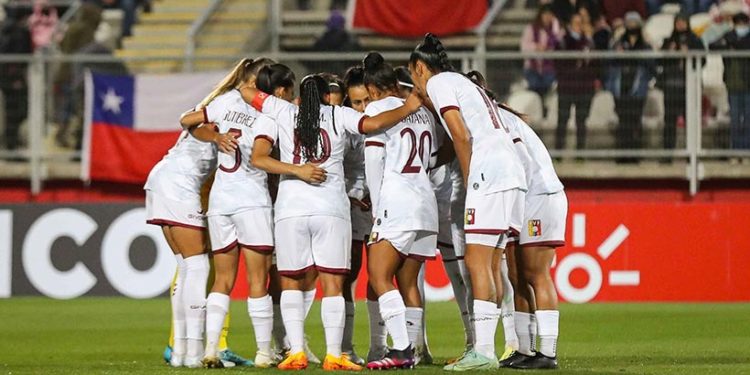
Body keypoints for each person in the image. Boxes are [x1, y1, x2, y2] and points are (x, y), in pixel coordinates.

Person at [247, 71, 422, 371]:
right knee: (333, 282)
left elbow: (250, 103)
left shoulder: (284, 110)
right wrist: (408, 107)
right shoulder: (339, 114)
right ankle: (333, 354)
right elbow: (373, 124)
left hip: (291, 209)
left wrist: (296, 169)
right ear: (327, 96)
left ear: (300, 97)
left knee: (290, 281)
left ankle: (297, 352)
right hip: (331, 208)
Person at [409, 33, 527, 371]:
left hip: (487, 174)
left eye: (414, 75)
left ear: (420, 67)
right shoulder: (462, 83)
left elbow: (460, 134)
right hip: (509, 171)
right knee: (491, 263)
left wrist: (470, 176)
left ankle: (484, 351)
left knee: (476, 262)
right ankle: (499, 346)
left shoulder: (440, 83)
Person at [178, 57, 278, 368]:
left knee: (222, 279)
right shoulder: (269, 108)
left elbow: (187, 121)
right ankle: (264, 352)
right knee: (258, 279)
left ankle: (211, 350)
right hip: (252, 201)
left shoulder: (223, 102)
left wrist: (215, 136)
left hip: (221, 202)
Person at [467, 72, 567, 370]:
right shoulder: (494, 121)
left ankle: (547, 353)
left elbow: (521, 162)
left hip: (539, 195)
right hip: (520, 198)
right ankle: (525, 349)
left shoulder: (498, 123)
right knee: (516, 276)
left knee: (537, 274)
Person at [359, 52, 439, 370]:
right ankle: (413, 351)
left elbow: (374, 162)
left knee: (379, 277)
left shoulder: (378, 110)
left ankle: (402, 349)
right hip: (425, 202)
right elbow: (430, 160)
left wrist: (378, 212)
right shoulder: (423, 114)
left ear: (373, 89)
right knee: (409, 284)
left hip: (397, 201)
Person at [339, 66, 370, 365]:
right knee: (349, 277)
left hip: (384, 206)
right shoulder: (346, 128)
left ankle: (384, 348)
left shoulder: (382, 121)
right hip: (352, 208)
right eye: (356, 103)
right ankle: (345, 348)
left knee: (385, 278)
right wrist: (354, 194)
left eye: (366, 101)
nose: (362, 108)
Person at [608, 11, 655, 162]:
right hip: (621, 87)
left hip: (638, 88)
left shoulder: (645, 44)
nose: (632, 26)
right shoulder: (619, 43)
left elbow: (651, 65)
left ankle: (635, 154)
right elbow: (610, 61)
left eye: (635, 23)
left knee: (635, 120)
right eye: (629, 23)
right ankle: (622, 154)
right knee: (623, 121)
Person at [660, 13, 704, 153]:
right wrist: (669, 52)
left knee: (690, 120)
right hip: (671, 86)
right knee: (669, 121)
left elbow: (703, 61)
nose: (680, 25)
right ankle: (667, 153)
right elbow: (659, 61)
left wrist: (690, 54)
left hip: (689, 86)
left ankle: (691, 153)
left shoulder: (695, 40)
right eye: (678, 22)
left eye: (683, 22)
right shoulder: (669, 40)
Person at [555, 13, 597, 151]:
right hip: (566, 87)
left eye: (581, 23)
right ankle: (559, 152)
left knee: (581, 121)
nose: (579, 26)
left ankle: (580, 152)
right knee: (562, 120)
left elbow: (594, 65)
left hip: (584, 88)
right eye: (576, 23)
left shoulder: (589, 42)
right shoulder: (563, 42)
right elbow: (559, 63)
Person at [710, 12, 750, 151]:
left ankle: (746, 150)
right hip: (733, 85)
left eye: (743, 24)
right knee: (735, 120)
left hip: (748, 86)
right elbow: (712, 45)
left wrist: (733, 45)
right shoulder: (728, 36)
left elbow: (743, 45)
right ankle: (737, 150)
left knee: (748, 120)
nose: (741, 26)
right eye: (738, 23)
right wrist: (728, 45)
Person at [0, 6, 31, 151]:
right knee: (18, 110)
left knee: (11, 110)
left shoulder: (3, 29)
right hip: (15, 77)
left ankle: (10, 141)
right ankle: (11, 143)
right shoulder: (21, 32)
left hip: (6, 77)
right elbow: (26, 54)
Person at [520, 4, 562, 99]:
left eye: (550, 14)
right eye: (545, 14)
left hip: (549, 67)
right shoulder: (531, 29)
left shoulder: (555, 31)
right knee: (535, 87)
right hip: (532, 67)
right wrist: (536, 47)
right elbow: (524, 46)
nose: (547, 17)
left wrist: (556, 25)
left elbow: (558, 44)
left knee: (548, 86)